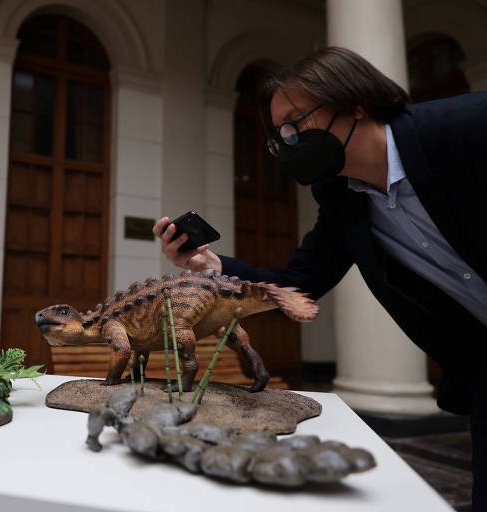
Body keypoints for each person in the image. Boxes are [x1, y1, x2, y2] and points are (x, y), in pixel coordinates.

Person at [153, 46, 486, 508]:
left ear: (356, 103)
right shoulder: (342, 198)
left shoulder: (469, 125)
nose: (289, 141)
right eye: (280, 133)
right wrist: (212, 268)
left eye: (297, 122)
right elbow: (299, 284)